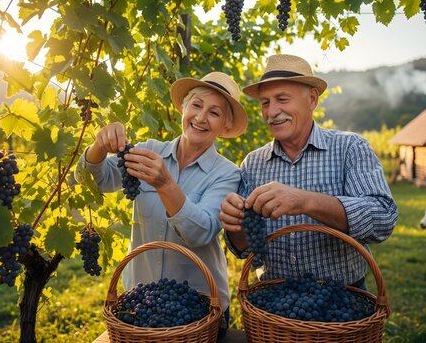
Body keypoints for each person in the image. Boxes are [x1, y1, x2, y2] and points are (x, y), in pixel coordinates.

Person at [75, 71, 248, 335]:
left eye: (214, 113)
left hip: (199, 310)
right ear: (183, 108)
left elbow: (200, 232)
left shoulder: (227, 174)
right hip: (142, 304)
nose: (201, 117)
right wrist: (100, 144)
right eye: (197, 106)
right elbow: (91, 180)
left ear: (225, 126)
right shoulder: (149, 151)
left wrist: (165, 184)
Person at [220, 54, 398, 289]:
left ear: (312, 100)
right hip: (275, 305)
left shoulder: (350, 148)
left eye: (282, 99)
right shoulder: (252, 163)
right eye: (265, 103)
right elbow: (243, 248)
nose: (272, 111)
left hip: (340, 301)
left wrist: (305, 201)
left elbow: (383, 218)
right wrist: (235, 224)